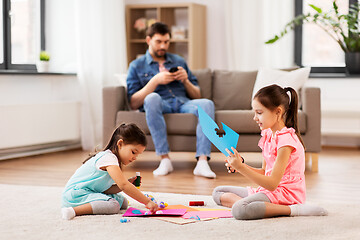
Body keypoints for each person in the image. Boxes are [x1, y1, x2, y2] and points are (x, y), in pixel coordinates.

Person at [212, 84, 328, 220]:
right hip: (270, 190)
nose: (254, 118)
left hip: (286, 193)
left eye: (259, 113)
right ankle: (255, 205)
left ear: (278, 112)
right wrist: (239, 166)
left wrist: (241, 167)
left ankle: (293, 209)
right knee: (218, 192)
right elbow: (264, 172)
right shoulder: (268, 135)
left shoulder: (286, 141)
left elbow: (272, 184)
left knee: (239, 209)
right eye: (254, 112)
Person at [126, 22, 216, 178]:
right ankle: (164, 159)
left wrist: (186, 80)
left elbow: (197, 95)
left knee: (207, 104)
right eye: (159, 41)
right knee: (152, 98)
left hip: (183, 102)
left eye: (166, 42)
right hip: (161, 103)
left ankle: (202, 162)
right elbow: (134, 102)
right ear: (148, 40)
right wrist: (155, 81)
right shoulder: (136, 66)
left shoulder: (178, 61)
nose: (163, 46)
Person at [61, 123, 158, 220]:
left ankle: (85, 207)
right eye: (133, 152)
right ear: (120, 144)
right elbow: (123, 186)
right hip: (75, 194)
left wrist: (129, 183)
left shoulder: (112, 160)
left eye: (137, 155)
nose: (134, 158)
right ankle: (73, 211)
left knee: (123, 202)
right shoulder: (108, 158)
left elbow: (105, 189)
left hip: (88, 191)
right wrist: (147, 201)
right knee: (113, 205)